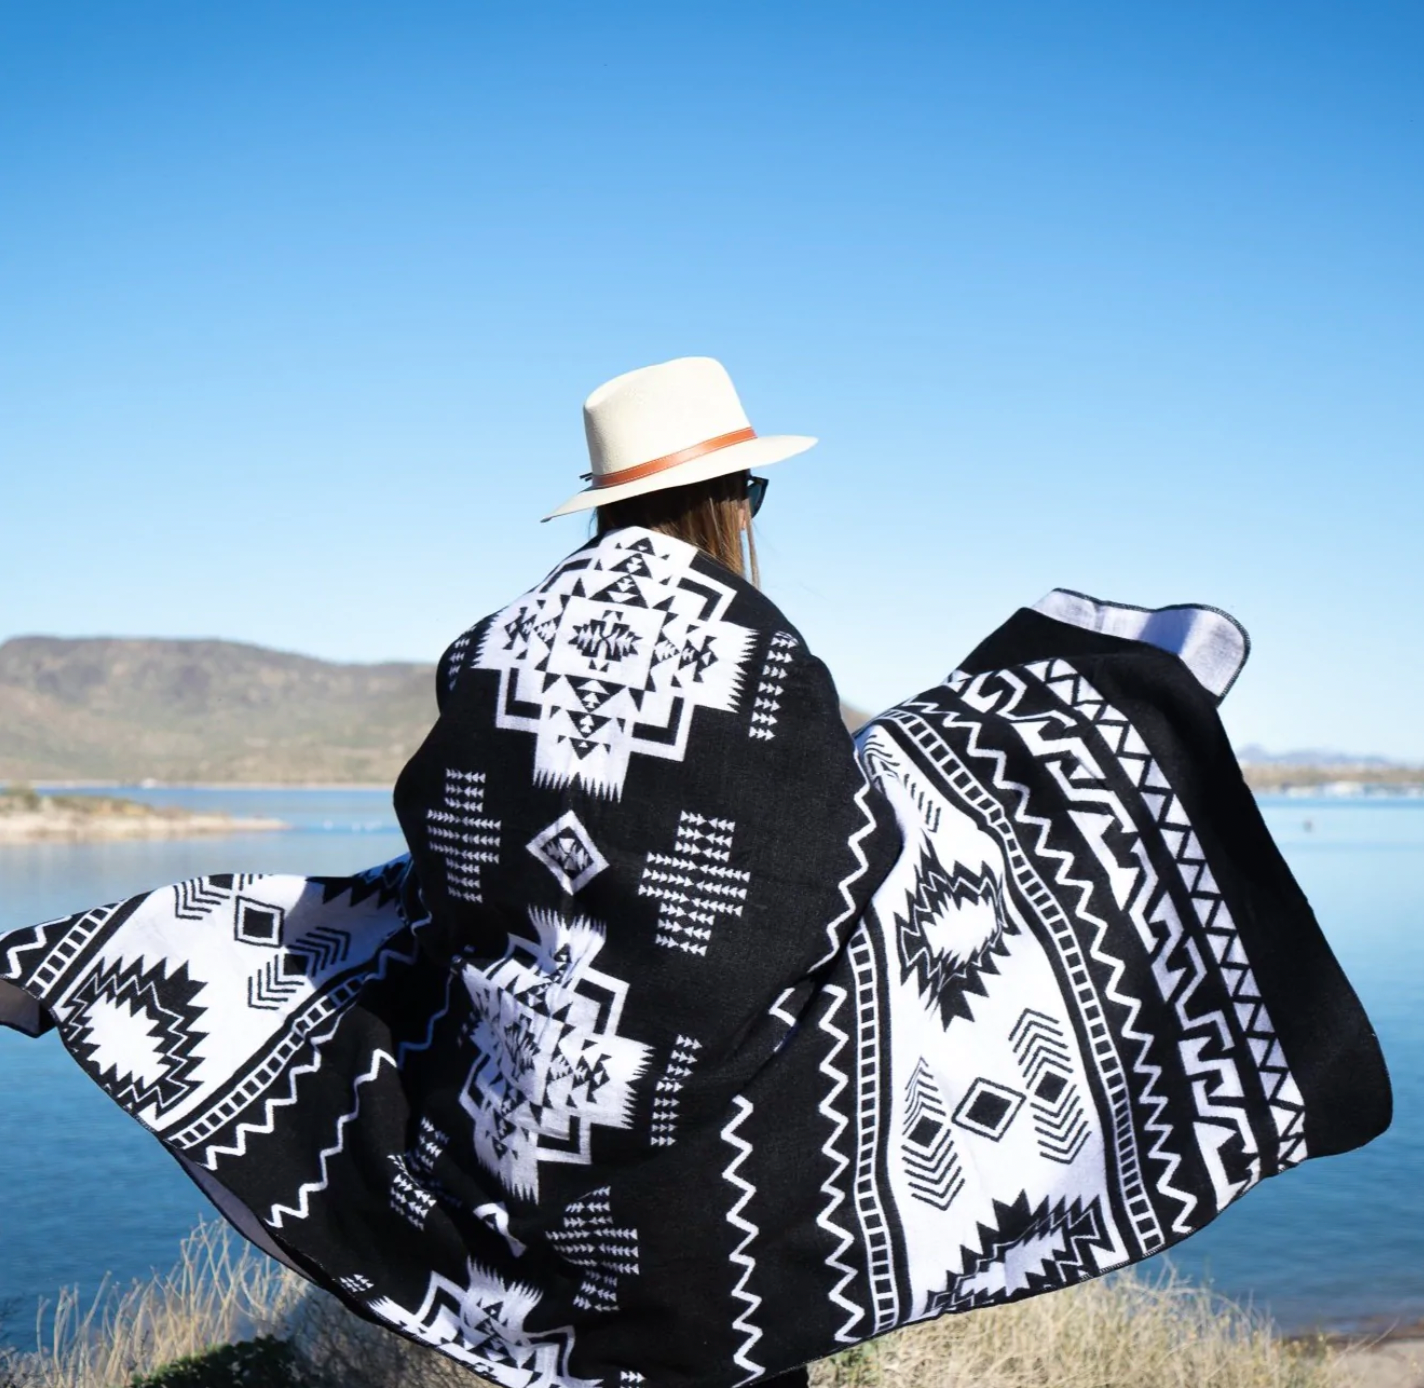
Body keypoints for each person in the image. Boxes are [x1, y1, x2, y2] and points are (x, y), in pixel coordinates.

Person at [0, 358, 1391, 1388]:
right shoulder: (753, 652)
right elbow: (825, 872)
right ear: (729, 496)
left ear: (607, 504)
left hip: (530, 1160)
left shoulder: (492, 649)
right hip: (720, 1200)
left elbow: (453, 855)